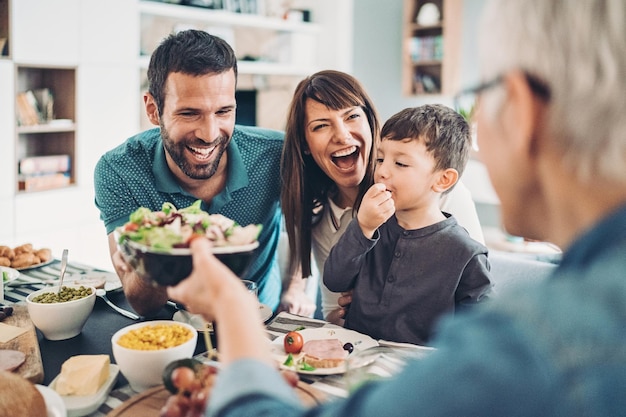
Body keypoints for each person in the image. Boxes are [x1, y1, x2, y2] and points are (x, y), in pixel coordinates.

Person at [167, 0, 626, 415]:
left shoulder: (528, 344)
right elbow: (337, 291)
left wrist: (232, 306)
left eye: (482, 92)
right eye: (321, 126)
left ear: (521, 110)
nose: (345, 138)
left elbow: (468, 312)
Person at [94, 29, 311, 316]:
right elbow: (140, 300)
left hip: (261, 319)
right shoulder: (119, 170)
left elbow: (304, 222)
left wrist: (295, 288)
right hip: (173, 328)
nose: (209, 134)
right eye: (189, 113)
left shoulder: (277, 154)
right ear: (153, 110)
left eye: (223, 112)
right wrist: (161, 241)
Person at [280, 70, 484, 323]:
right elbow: (335, 304)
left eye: (352, 116)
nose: (342, 135)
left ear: (370, 122)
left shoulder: (439, 194)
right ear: (304, 145)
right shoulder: (330, 219)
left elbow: (474, 301)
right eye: (321, 125)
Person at [324, 105, 492, 345]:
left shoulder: (466, 253)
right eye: (380, 159)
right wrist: (362, 227)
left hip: (417, 372)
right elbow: (334, 279)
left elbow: (480, 333)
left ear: (443, 179)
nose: (382, 171)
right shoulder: (371, 226)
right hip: (353, 357)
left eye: (400, 164)